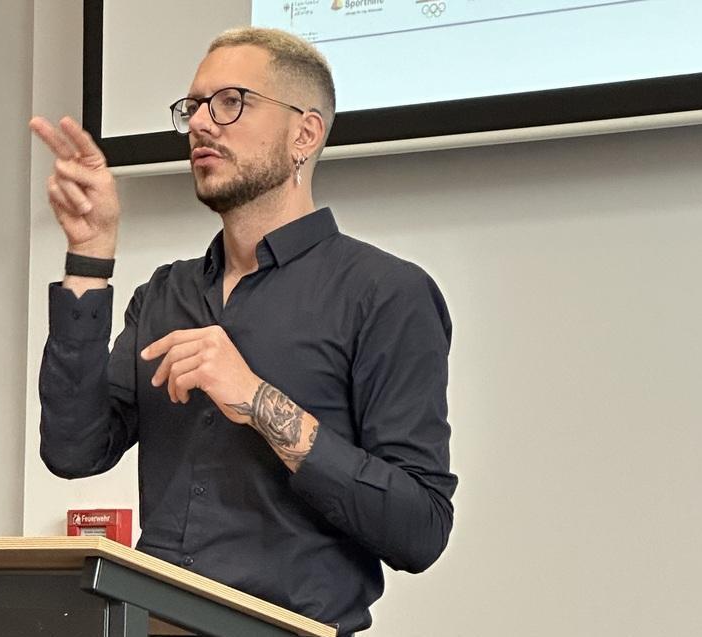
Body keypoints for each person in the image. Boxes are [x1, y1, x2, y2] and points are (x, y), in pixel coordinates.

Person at [31, 27, 457, 635]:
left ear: (304, 133)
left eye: (230, 102)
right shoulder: (166, 293)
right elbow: (73, 451)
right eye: (193, 106)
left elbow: (421, 528)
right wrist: (90, 256)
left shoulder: (386, 294)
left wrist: (258, 401)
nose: (203, 123)